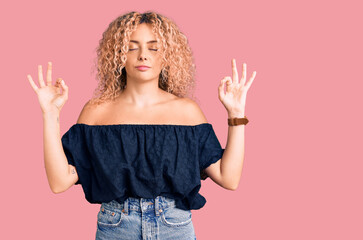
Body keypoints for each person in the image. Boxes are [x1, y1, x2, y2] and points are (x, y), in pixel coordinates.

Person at [27, 11, 256, 240]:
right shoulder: (96, 111)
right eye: (132, 46)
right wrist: (50, 114)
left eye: (153, 48)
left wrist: (236, 114)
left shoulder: (187, 112)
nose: (143, 55)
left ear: (167, 56)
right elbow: (58, 182)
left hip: (174, 227)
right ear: (119, 55)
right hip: (116, 227)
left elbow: (229, 178)